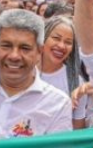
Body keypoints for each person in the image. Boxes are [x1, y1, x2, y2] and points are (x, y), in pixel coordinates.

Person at [0, 9, 72, 137]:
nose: (14, 56)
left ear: (39, 52)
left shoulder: (57, 104)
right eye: (6, 45)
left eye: (25, 48)